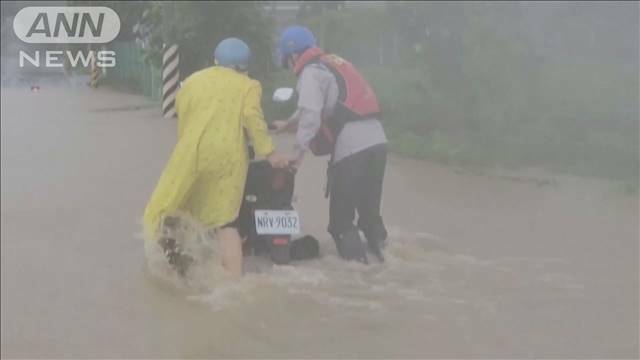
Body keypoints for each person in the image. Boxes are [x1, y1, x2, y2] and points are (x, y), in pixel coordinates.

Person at [143, 38, 290, 278]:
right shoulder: (249, 85)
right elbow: (252, 117)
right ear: (244, 66)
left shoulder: (192, 82)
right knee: (226, 222)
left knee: (173, 209)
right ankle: (234, 281)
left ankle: (170, 269)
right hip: (228, 158)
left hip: (190, 153)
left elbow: (184, 113)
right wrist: (270, 153)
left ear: (216, 61)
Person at [273, 25, 388, 264]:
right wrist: (287, 124)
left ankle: (360, 279)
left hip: (351, 148)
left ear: (292, 54)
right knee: (369, 216)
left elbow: (312, 116)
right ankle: (387, 260)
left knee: (341, 223)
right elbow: (318, 108)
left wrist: (298, 156)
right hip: (378, 142)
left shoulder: (310, 72)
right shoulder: (332, 63)